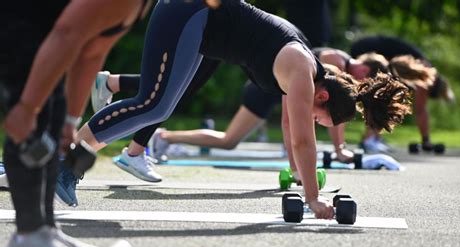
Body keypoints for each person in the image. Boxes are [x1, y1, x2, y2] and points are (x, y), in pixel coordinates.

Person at [60, 0, 412, 220]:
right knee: (153, 103)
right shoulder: (303, 72)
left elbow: (294, 133)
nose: (317, 124)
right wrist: (313, 198)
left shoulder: (304, 71)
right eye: (323, 120)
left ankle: (71, 154)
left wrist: (301, 177)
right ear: (322, 98)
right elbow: (304, 141)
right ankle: (67, 159)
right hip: (191, 11)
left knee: (160, 104)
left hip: (198, 27)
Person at [0, 0, 152, 247]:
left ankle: (43, 231)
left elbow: (91, 52)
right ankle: (28, 237)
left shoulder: (141, 4)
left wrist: (70, 121)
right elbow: (67, 34)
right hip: (18, 23)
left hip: (46, 34)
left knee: (53, 120)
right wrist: (25, 108)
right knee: (36, 119)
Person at [88, 47, 370, 185]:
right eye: (319, 120)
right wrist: (301, 175)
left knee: (175, 90)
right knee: (173, 94)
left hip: (247, 56)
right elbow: (292, 126)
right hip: (254, 72)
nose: (314, 124)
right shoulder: (315, 70)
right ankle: (133, 147)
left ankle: (115, 88)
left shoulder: (318, 71)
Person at [350, 35, 455, 152]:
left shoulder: (423, 66)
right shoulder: (426, 75)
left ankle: (371, 138)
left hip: (365, 45)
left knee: (382, 95)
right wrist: (426, 140)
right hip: (368, 49)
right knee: (381, 96)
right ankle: (370, 139)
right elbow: (420, 110)